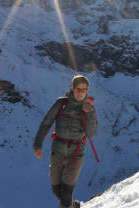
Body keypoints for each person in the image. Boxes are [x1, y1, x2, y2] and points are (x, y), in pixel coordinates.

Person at [33, 75, 98, 208]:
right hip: (57, 152)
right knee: (57, 190)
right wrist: (38, 144)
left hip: (76, 155)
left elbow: (91, 133)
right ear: (72, 89)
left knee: (66, 193)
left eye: (84, 90)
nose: (80, 93)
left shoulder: (89, 109)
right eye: (77, 89)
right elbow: (46, 123)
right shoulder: (61, 104)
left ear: (87, 91)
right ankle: (74, 206)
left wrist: (90, 114)